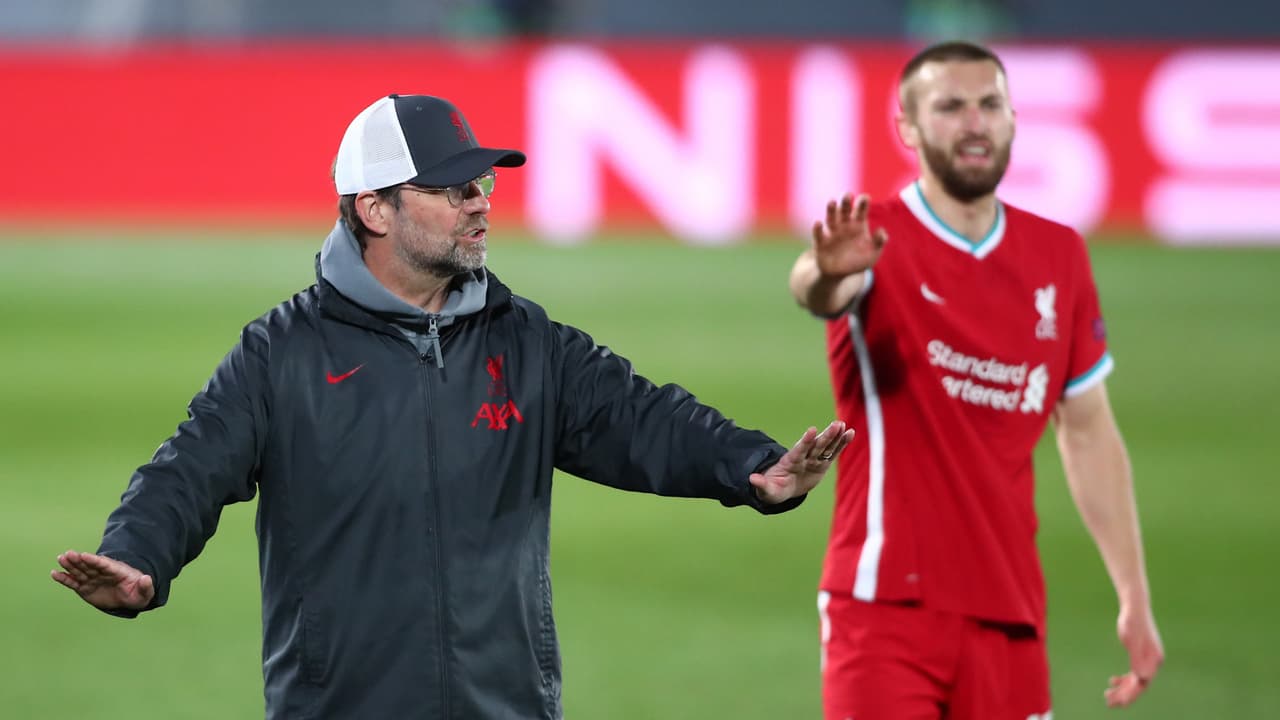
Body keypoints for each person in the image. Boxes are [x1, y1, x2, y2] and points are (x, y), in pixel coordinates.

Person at [51, 93, 854, 719]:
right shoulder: (282, 352)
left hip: (506, 707)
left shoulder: (526, 340)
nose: (479, 202)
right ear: (375, 209)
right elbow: (189, 468)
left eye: (482, 183)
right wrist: (139, 558)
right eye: (450, 188)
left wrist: (754, 467)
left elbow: (641, 418)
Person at [788, 42, 1164, 719]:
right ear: (907, 128)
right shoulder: (874, 237)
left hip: (1009, 613)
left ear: (1013, 118)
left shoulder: (1059, 255)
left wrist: (1133, 594)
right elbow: (816, 290)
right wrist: (825, 271)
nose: (974, 123)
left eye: (990, 104)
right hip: (883, 606)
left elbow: (1088, 432)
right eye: (950, 107)